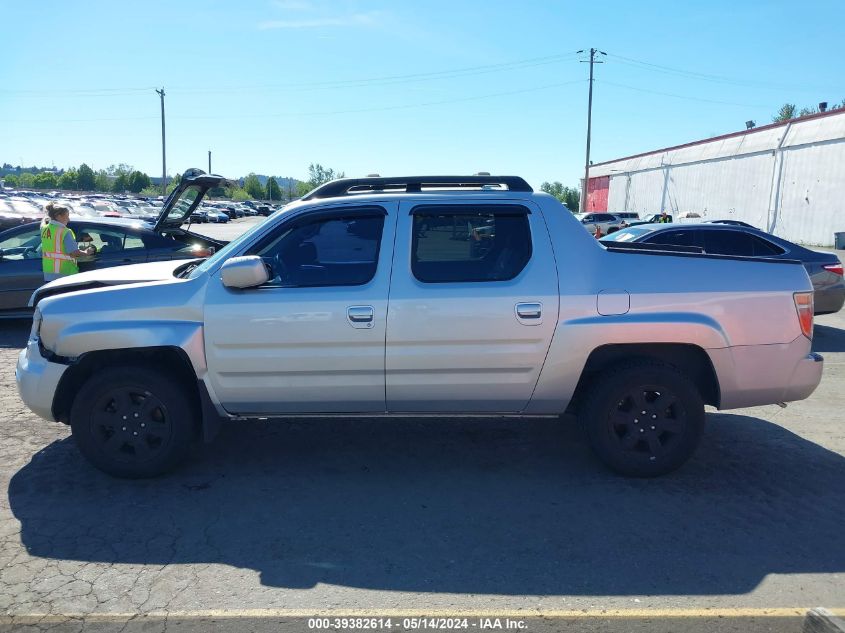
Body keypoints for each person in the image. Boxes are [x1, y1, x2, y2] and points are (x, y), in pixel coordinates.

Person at [41, 202, 94, 281]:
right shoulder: (64, 231)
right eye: (67, 216)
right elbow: (74, 253)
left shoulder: (44, 229)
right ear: (58, 216)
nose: (69, 219)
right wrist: (87, 252)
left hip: (49, 272)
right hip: (64, 273)